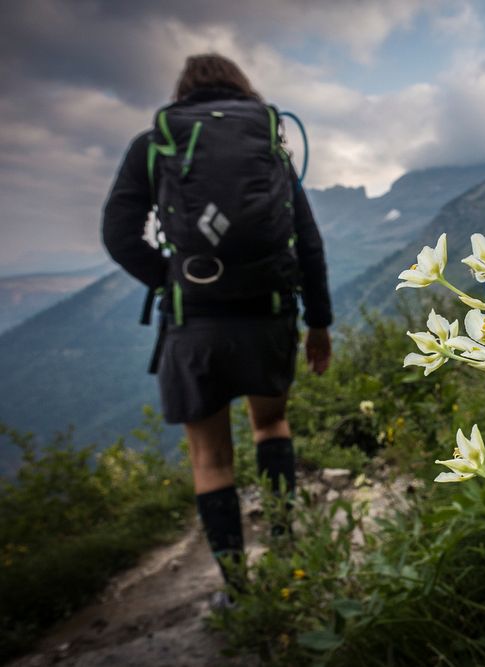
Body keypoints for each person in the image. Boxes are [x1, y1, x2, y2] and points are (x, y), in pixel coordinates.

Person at [101, 54, 332, 600]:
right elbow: (309, 242)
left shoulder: (154, 144)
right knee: (271, 426)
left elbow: (118, 233)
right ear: (240, 88)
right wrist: (318, 324)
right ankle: (286, 550)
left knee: (210, 458)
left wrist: (173, 280)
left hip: (195, 321)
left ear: (184, 93)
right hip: (267, 313)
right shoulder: (267, 141)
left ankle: (237, 589)